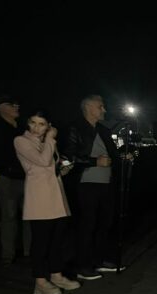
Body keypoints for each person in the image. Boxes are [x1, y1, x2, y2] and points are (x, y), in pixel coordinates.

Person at [14, 110, 80, 294]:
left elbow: (51, 166)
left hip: (55, 195)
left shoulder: (46, 142)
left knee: (57, 239)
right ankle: (40, 281)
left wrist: (63, 170)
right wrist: (51, 138)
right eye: (33, 122)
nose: (36, 127)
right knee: (41, 240)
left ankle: (56, 274)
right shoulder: (21, 141)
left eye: (41, 124)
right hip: (39, 197)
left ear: (48, 125)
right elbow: (43, 161)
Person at [63, 95, 122, 280]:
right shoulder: (75, 128)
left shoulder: (103, 130)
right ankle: (83, 265)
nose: (104, 110)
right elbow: (67, 158)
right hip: (85, 184)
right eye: (100, 106)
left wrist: (122, 158)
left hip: (106, 184)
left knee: (105, 223)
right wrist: (94, 161)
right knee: (87, 225)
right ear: (88, 108)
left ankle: (99, 260)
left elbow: (112, 154)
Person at [0, 95, 30, 265]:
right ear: (0, 108)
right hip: (6, 178)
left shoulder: (23, 128)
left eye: (16, 103)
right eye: (11, 104)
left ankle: (30, 252)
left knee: (30, 215)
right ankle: (8, 254)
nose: (16, 106)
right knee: (8, 216)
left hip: (27, 177)